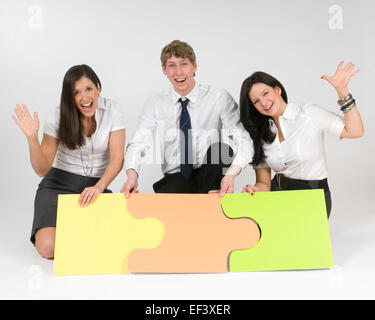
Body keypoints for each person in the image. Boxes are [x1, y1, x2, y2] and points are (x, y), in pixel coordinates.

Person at [11, 64, 126, 259]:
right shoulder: (58, 115)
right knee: (48, 248)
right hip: (58, 185)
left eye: (89, 89)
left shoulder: (113, 110)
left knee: (119, 238)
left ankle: (79, 232)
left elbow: (117, 158)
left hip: (95, 187)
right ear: (69, 96)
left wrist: (99, 187)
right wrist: (32, 139)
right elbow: (42, 169)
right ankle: (78, 234)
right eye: (76, 92)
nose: (84, 98)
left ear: (98, 87)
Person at [121, 40, 253, 196]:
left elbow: (244, 140)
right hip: (176, 177)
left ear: (194, 66)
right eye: (171, 65)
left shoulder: (218, 97)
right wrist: (132, 174)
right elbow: (138, 143)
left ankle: (207, 207)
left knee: (220, 150)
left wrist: (231, 174)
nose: (178, 72)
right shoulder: (155, 103)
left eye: (184, 64)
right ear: (164, 70)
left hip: (210, 174)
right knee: (171, 206)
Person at [240, 61, 364, 218]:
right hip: (277, 196)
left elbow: (355, 131)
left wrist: (342, 91)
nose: (263, 103)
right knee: (259, 239)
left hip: (313, 198)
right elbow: (263, 183)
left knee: (297, 241)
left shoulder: (308, 114)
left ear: (277, 89)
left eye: (265, 93)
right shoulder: (260, 134)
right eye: (256, 101)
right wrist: (254, 189)